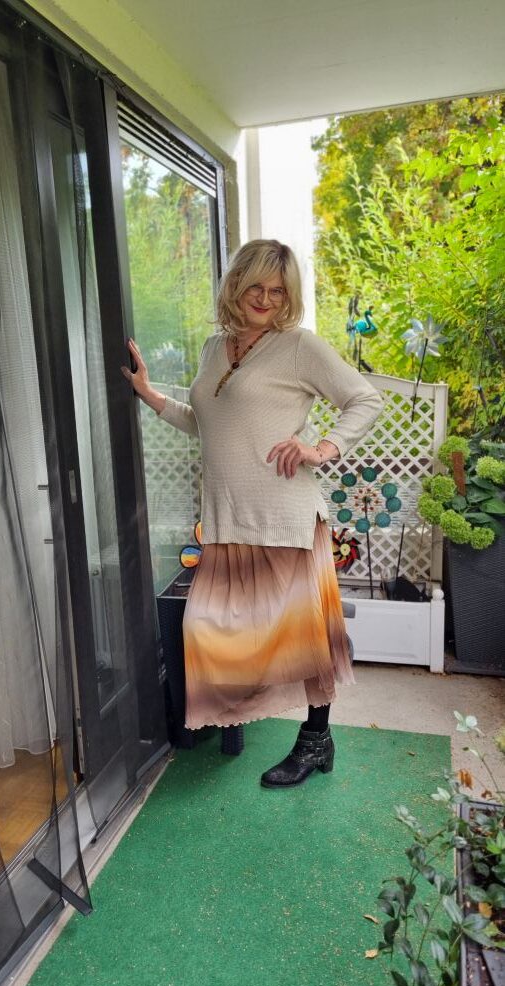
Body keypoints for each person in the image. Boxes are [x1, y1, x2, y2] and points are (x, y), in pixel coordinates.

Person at [121, 239, 383, 789]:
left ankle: (315, 740)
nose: (265, 299)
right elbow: (206, 422)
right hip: (228, 520)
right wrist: (151, 396)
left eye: (278, 291)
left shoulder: (299, 347)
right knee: (209, 628)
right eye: (256, 287)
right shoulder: (215, 347)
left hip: (286, 518)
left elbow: (365, 399)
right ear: (235, 285)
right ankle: (232, 718)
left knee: (306, 642)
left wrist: (322, 448)